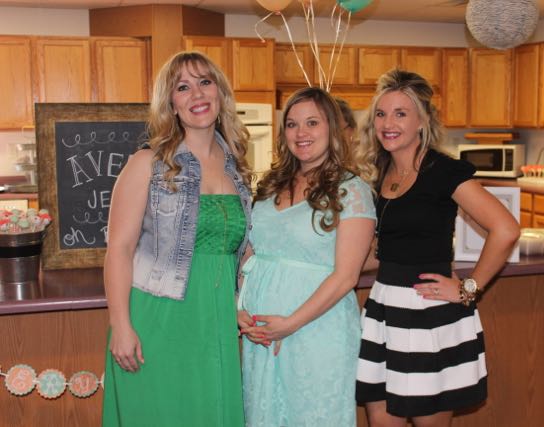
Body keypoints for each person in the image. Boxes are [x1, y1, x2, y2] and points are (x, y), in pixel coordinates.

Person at [355, 69, 520, 427]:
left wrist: (468, 289)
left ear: (422, 121)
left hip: (429, 314)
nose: (388, 123)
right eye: (381, 114)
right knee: (381, 420)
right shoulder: (380, 174)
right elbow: (383, 251)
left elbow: (505, 228)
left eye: (401, 113)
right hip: (385, 308)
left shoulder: (443, 171)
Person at [102, 51, 252, 426]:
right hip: (159, 317)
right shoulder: (147, 164)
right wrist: (121, 326)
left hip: (216, 318)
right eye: (182, 87)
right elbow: (118, 249)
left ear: (219, 92)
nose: (197, 94)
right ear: (171, 103)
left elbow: (243, 251)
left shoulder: (238, 168)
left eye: (205, 82)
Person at [237, 87, 376, 427]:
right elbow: (251, 252)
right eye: (292, 124)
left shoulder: (352, 190)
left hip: (316, 330)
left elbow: (346, 277)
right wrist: (238, 308)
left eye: (312, 122)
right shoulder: (270, 186)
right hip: (261, 333)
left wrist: (290, 324)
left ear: (331, 127)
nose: (301, 133)